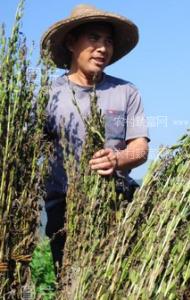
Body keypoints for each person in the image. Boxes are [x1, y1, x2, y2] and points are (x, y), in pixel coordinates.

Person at [40, 4, 149, 275]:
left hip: (116, 202)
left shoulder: (126, 91)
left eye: (108, 41)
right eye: (94, 38)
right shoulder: (49, 94)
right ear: (71, 42)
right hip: (63, 206)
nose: (103, 48)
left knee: (115, 279)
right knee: (69, 280)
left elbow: (141, 147)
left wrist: (118, 158)